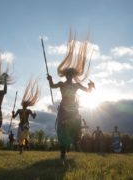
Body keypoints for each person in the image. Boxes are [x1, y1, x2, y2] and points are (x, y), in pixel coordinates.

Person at [47, 32, 95, 163]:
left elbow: (88, 91)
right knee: (63, 130)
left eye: (70, 75)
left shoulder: (77, 85)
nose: (68, 76)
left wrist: (91, 86)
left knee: (76, 126)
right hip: (63, 110)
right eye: (67, 74)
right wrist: (50, 80)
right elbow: (52, 86)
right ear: (65, 75)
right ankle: (63, 154)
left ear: (73, 76)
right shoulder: (61, 84)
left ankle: (75, 141)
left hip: (73, 110)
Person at [12, 78, 39, 154]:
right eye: (24, 104)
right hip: (21, 125)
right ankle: (22, 149)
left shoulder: (28, 111)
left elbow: (33, 117)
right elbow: (14, 117)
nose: (24, 105)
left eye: (25, 104)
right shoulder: (19, 110)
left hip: (26, 125)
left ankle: (26, 145)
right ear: (22, 104)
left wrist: (34, 114)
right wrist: (12, 113)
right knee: (20, 138)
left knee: (24, 137)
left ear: (26, 105)